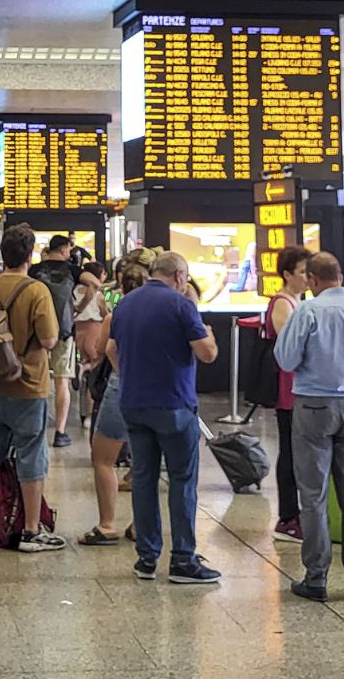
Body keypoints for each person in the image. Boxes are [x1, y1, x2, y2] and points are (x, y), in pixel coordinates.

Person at [107, 249, 219, 584]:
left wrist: (130, 377)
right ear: (180, 276)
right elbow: (207, 353)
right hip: (173, 404)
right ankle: (183, 559)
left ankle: (146, 558)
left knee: (143, 479)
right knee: (182, 481)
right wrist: (209, 333)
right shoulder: (181, 305)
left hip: (134, 402)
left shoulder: (125, 303)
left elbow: (111, 350)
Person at [274, 251, 344, 602]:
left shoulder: (308, 310)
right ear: (342, 278)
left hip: (313, 406)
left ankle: (316, 578)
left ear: (314, 281)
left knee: (313, 495)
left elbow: (286, 359)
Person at [0, 224, 66, 553]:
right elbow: (51, 338)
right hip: (28, 383)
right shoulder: (36, 290)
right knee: (31, 453)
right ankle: (30, 530)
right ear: (29, 255)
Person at [82, 251, 151, 547]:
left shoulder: (117, 314)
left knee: (103, 459)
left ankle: (107, 523)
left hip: (120, 388)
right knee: (145, 461)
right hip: (152, 391)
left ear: (122, 286)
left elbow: (104, 349)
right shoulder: (161, 312)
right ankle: (141, 525)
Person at [260, 245, 312, 544]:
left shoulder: (299, 301)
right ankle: (288, 517)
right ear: (287, 274)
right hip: (289, 388)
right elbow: (290, 344)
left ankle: (298, 513)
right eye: (302, 272)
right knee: (291, 451)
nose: (307, 278)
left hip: (301, 386)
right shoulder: (282, 302)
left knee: (300, 451)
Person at [30, 234, 82, 449]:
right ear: (64, 250)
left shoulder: (35, 270)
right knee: (62, 381)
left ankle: (36, 428)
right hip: (64, 330)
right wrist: (78, 307)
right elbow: (95, 283)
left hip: (37, 330)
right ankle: (60, 432)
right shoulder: (72, 270)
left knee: (36, 379)